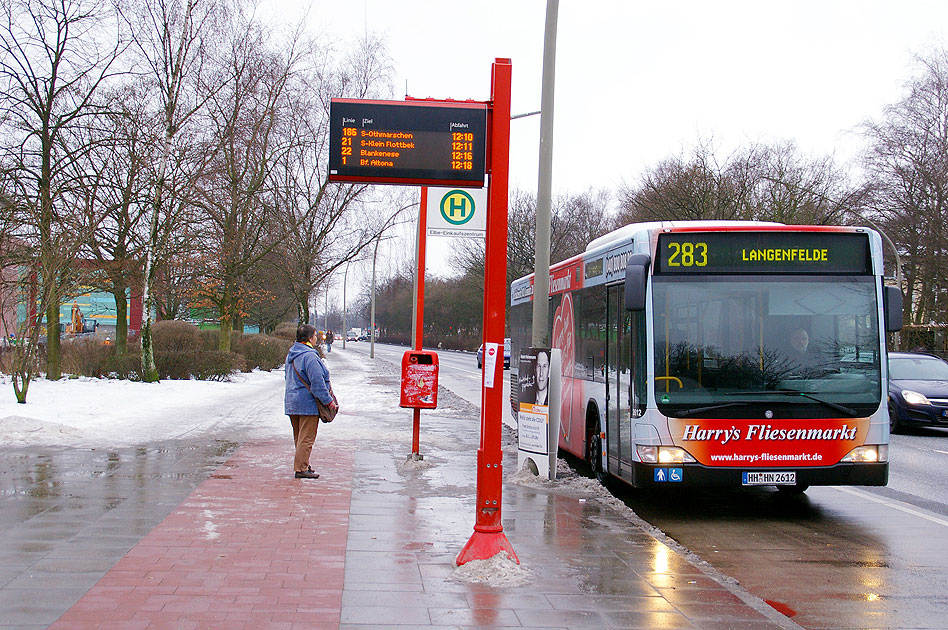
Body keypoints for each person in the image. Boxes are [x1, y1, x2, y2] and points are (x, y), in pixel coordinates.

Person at [284, 324, 337, 479]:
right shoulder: (310, 356)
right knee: (306, 438)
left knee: (299, 437)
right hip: (307, 404)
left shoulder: (291, 354)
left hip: (292, 402)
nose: (317, 338)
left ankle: (303, 463)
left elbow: (287, 377)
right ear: (309, 338)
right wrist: (329, 401)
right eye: (315, 335)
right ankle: (301, 468)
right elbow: (318, 383)